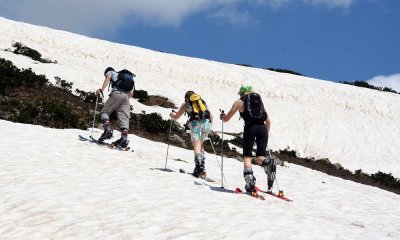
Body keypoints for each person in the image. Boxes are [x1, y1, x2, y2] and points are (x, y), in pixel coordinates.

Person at [220, 86, 275, 195]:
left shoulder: (239, 102)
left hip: (250, 128)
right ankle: (267, 162)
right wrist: (265, 134)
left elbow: (226, 119)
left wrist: (222, 116)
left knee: (247, 156)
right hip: (263, 128)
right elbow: (268, 121)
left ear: (242, 93)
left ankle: (249, 181)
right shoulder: (259, 102)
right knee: (260, 156)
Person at [170, 91, 213, 178]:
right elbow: (211, 115)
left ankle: (199, 167)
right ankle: (202, 168)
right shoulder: (202, 102)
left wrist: (172, 115)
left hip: (195, 124)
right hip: (207, 124)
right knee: (201, 144)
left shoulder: (186, 104)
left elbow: (177, 116)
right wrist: (210, 126)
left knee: (196, 146)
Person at [95, 67, 134, 148]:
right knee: (123, 117)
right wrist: (124, 99)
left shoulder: (110, 72)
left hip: (117, 92)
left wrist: (101, 89)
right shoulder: (125, 77)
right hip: (126, 96)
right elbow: (131, 92)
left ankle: (107, 130)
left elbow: (108, 78)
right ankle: (124, 137)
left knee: (105, 112)